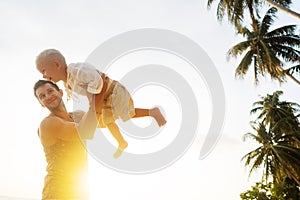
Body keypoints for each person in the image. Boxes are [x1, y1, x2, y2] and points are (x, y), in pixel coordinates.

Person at [35, 48, 167, 158]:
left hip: (112, 91)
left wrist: (92, 101)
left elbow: (98, 80)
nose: (44, 75)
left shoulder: (77, 71)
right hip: (102, 97)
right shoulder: (67, 82)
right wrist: (92, 103)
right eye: (42, 72)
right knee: (108, 120)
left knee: (126, 113)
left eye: (44, 71)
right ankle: (121, 142)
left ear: (57, 65)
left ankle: (152, 112)